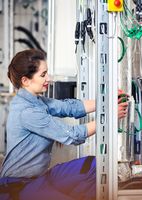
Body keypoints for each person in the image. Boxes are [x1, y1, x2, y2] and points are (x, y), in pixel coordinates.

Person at [0, 49, 128, 199]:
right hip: (19, 186)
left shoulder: (37, 101)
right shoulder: (27, 112)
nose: (48, 78)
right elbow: (72, 135)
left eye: (47, 73)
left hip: (39, 179)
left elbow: (69, 107)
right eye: (43, 75)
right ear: (25, 80)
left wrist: (107, 100)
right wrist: (109, 117)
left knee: (95, 166)